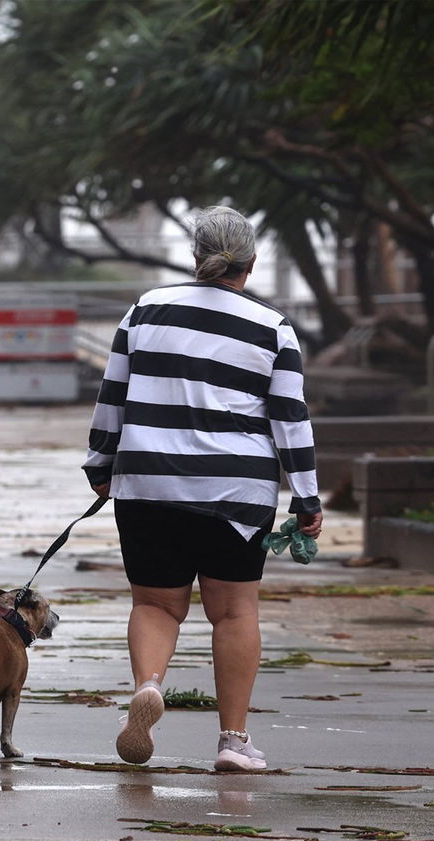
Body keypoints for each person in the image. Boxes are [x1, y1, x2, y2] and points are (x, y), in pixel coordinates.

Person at [83, 205, 323, 772]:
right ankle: (233, 742)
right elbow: (291, 419)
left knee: (156, 604)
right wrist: (307, 497)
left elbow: (112, 395)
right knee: (234, 611)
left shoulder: (146, 309)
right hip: (235, 492)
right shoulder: (273, 328)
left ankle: (147, 686)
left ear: (197, 257)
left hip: (148, 481)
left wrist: (100, 463)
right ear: (251, 261)